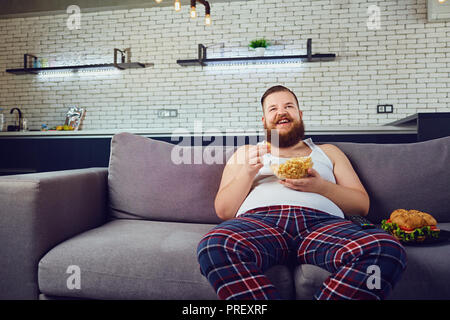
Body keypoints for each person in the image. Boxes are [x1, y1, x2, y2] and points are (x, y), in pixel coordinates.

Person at [197, 85, 407, 300]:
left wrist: (320, 187)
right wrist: (247, 173)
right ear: (263, 121)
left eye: (289, 106)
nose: (281, 112)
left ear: (300, 114)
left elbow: (362, 205)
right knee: (215, 245)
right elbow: (224, 211)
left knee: (386, 248)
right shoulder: (246, 153)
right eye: (273, 109)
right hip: (260, 222)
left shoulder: (328, 152)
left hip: (323, 223)